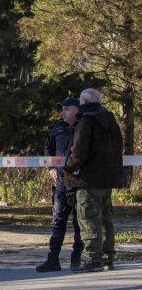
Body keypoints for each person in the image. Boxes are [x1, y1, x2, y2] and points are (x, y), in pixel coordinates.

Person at [64, 88, 124, 273]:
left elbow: (78, 152)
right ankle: (108, 258)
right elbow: (118, 147)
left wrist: (68, 168)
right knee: (106, 220)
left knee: (89, 218)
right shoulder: (110, 120)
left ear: (83, 101)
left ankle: (92, 259)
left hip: (88, 180)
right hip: (108, 179)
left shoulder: (86, 121)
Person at [36, 97, 83, 272]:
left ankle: (76, 258)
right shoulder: (57, 127)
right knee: (58, 221)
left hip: (79, 182)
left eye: (66, 109)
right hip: (61, 183)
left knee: (79, 222)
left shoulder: (84, 127)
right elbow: (48, 148)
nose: (63, 112)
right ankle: (53, 259)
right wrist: (51, 167)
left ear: (76, 110)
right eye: (62, 109)